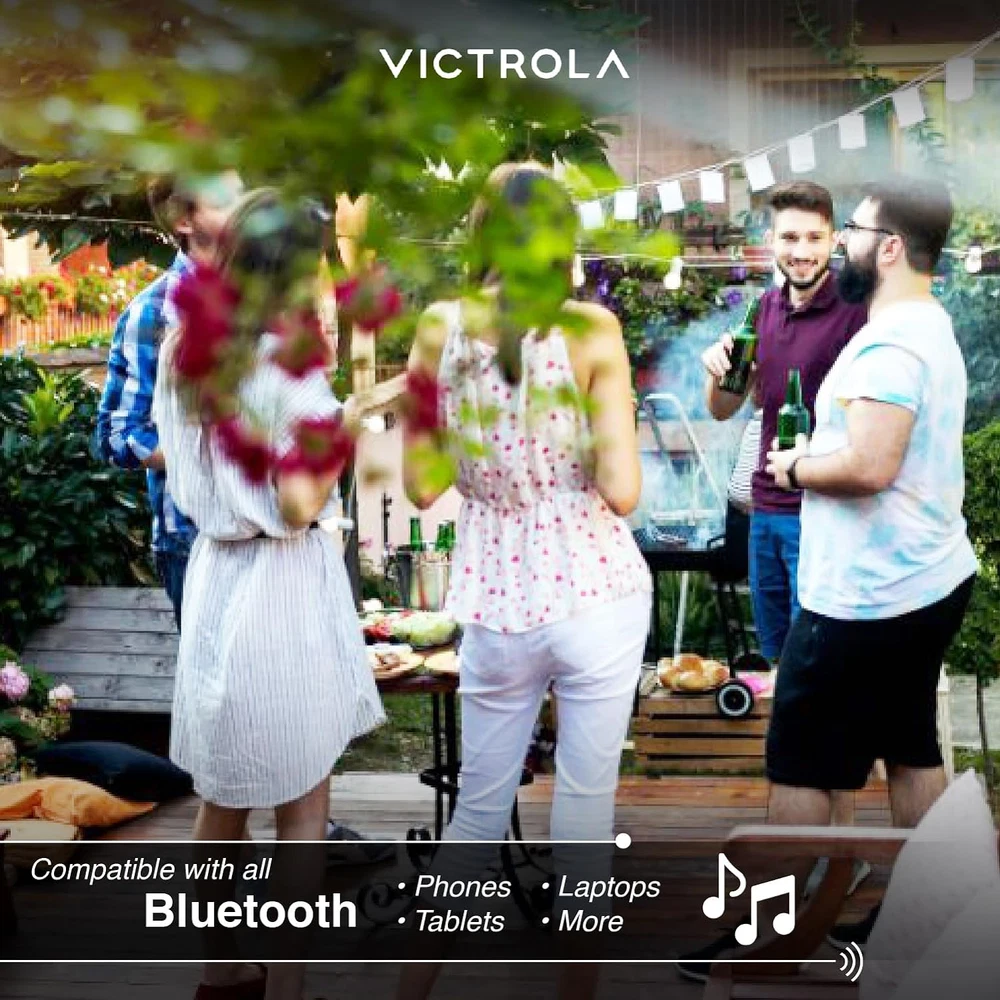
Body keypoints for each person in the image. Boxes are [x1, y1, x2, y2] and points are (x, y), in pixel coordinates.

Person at [397, 162, 652, 1000]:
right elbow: (622, 491)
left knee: (476, 811)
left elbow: (422, 485)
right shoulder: (591, 329)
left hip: (497, 596)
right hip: (593, 589)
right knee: (584, 811)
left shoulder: (439, 328)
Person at [153, 189, 386, 1000]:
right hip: (283, 590)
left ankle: (221, 972)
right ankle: (286, 986)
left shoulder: (184, 347)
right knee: (301, 808)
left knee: (220, 802)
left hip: (216, 581)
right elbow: (296, 505)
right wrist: (348, 423)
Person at [765, 175, 977, 947]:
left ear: (888, 248)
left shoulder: (892, 343)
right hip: (922, 578)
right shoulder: (924, 324)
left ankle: (770, 934)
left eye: (852, 230)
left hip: (867, 597)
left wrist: (794, 467)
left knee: (800, 762)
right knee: (909, 745)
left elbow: (870, 465)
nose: (840, 244)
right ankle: (930, 922)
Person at [701, 182, 868, 663]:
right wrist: (717, 367)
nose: (802, 252)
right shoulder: (763, 311)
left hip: (824, 511)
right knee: (775, 656)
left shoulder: (856, 312)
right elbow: (722, 408)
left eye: (814, 238)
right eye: (790, 238)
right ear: (771, 240)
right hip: (764, 510)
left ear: (834, 239)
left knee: (813, 657)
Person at [97, 171, 245, 630]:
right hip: (193, 534)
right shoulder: (154, 311)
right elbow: (117, 435)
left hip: (270, 533)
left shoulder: (263, 303)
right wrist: (209, 456)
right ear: (184, 220)